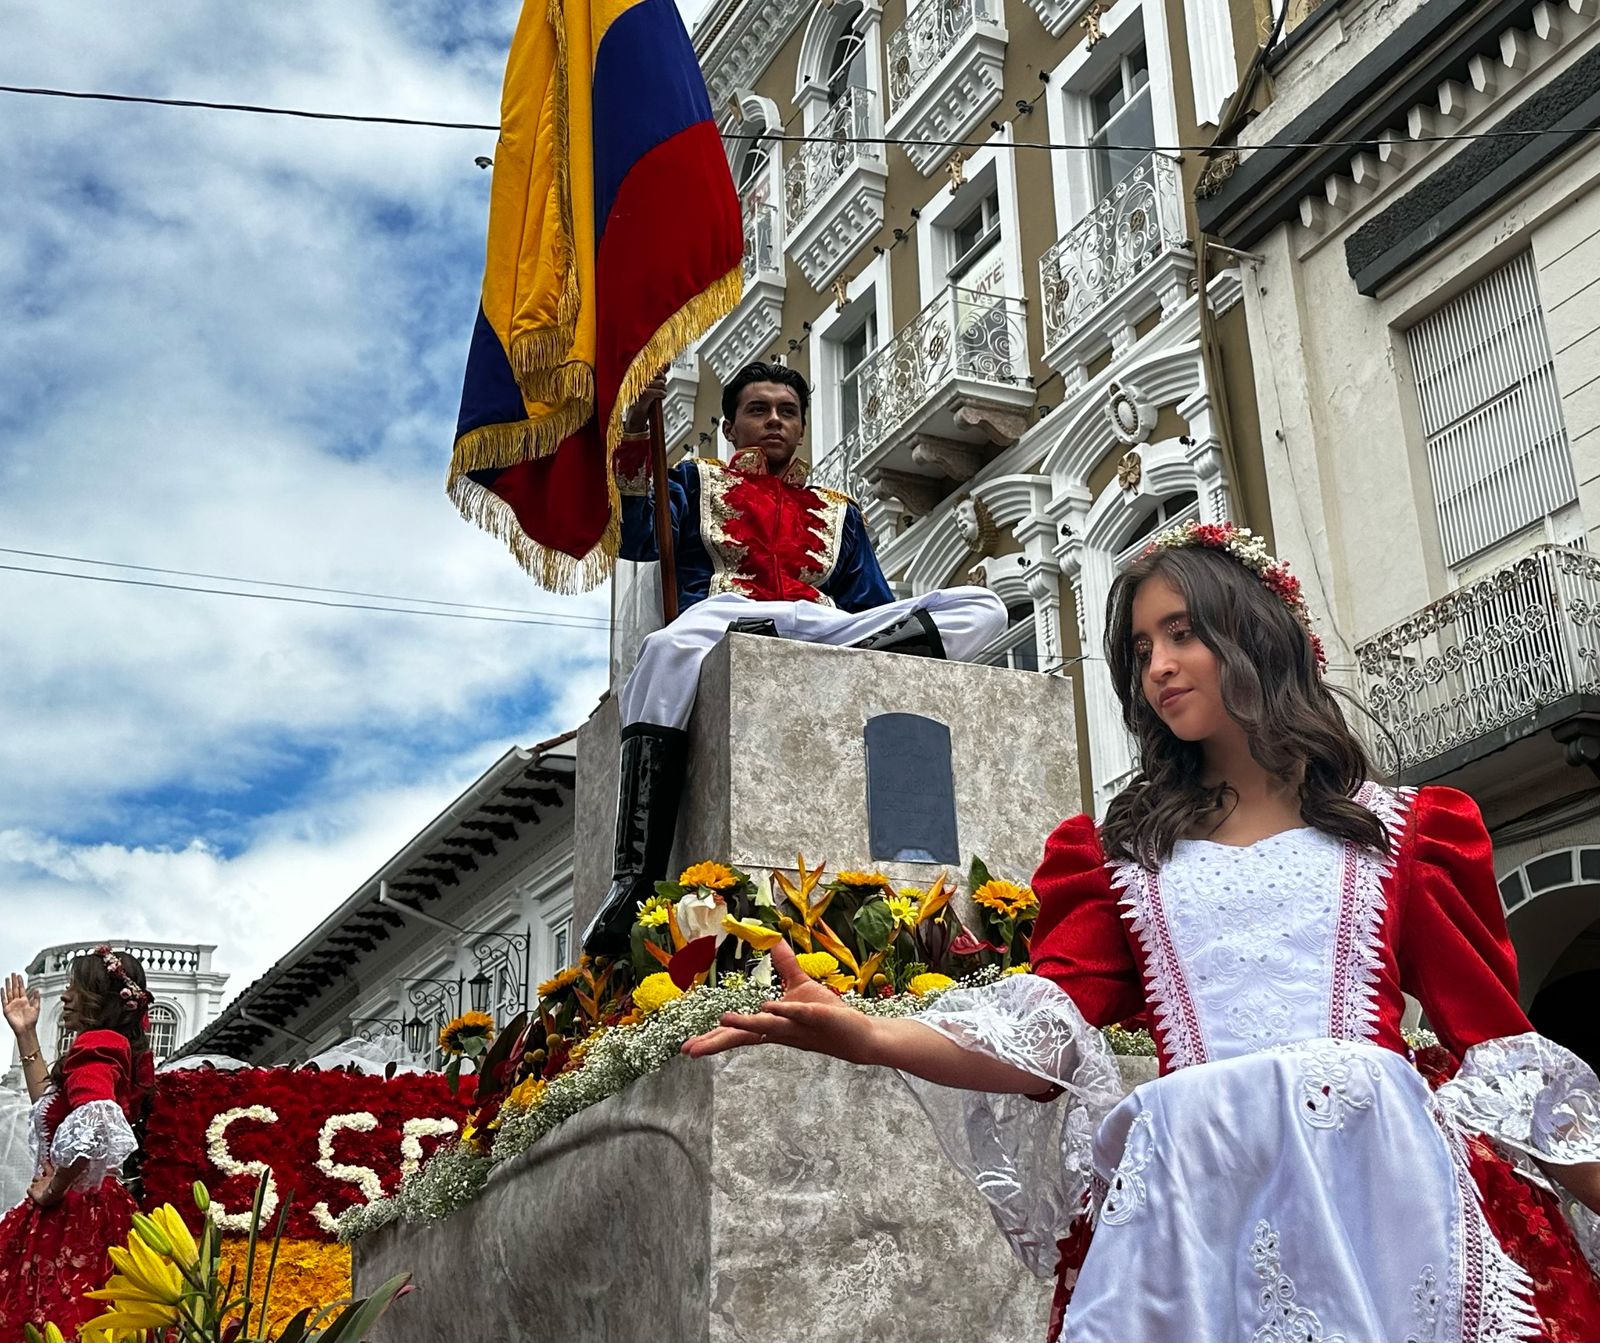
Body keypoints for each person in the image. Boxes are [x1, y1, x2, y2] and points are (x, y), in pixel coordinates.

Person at [684, 520, 1600, 1341]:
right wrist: (870, 1034)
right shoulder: (1116, 857)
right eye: (1140, 647)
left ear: (1256, 635)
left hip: (1381, 1193)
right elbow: (1043, 1031)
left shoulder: (1408, 831)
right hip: (1195, 1207)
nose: (1158, 664)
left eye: (1182, 632)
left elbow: (1503, 1055)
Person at [584, 360, 1007, 953]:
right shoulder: (694, 481)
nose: (774, 422)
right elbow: (637, 536)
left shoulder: (838, 510)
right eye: (758, 410)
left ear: (803, 427)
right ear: (730, 427)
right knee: (664, 648)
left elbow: (873, 602)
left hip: (824, 628)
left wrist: (864, 641)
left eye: (787, 412)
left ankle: (827, 666)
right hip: (726, 615)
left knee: (984, 607)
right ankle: (633, 878)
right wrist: (633, 433)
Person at [0, 949, 155, 1339]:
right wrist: (25, 1033)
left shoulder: (96, 1045)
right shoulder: (115, 1048)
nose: (66, 996)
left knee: (57, 1319)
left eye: (75, 987)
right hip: (96, 1207)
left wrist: (54, 1188)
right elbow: (54, 1106)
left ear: (99, 998)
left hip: (73, 1213)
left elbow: (96, 1120)